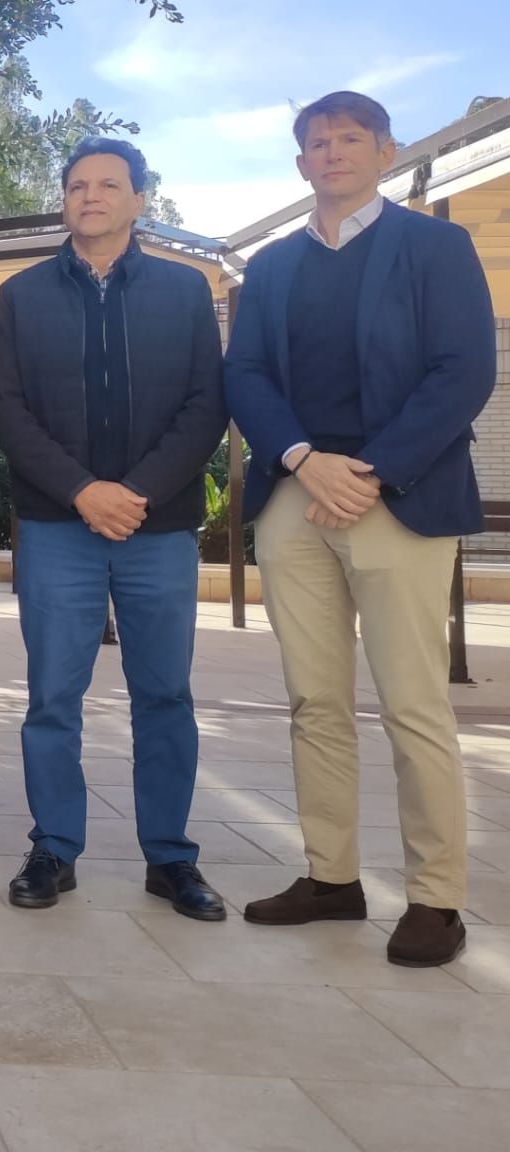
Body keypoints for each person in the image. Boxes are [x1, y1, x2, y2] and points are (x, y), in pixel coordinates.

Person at [225, 92, 496, 966]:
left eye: (349, 139)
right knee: (315, 701)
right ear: (300, 162)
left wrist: (371, 469)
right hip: (297, 498)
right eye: (316, 142)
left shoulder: (435, 247)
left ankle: (435, 899)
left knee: (413, 704)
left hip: (396, 498)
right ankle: (331, 877)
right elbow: (248, 376)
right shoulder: (269, 268)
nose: (332, 152)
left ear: (384, 151)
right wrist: (306, 459)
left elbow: (464, 369)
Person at [0, 138, 229, 919]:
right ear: (65, 200)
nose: (91, 195)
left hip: (158, 529)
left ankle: (171, 859)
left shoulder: (186, 291)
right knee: (52, 697)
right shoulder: (22, 294)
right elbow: (6, 413)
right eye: (78, 185)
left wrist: (138, 493)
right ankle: (54, 848)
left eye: (109, 185)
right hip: (59, 525)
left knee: (164, 695)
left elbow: (206, 407)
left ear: (138, 200)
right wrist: (84, 490)